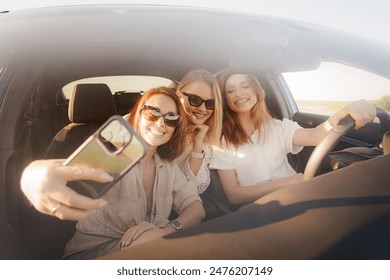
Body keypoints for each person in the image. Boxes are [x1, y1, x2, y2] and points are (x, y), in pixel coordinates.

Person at [48, 86, 204, 259]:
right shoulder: (111, 154)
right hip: (90, 255)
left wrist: (166, 230)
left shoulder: (169, 167)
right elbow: (62, 182)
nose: (161, 123)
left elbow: (196, 209)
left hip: (150, 248)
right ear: (137, 114)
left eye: (171, 118)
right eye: (153, 113)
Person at [209, 70, 377, 206]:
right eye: (230, 90)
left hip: (298, 196)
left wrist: (342, 113)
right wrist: (285, 183)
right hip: (258, 209)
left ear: (256, 91)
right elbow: (234, 195)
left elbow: (314, 136)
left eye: (245, 86)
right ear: (225, 100)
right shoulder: (221, 141)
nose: (239, 93)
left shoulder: (279, 127)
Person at [174, 69, 223, 195]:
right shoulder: (156, 125)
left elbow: (194, 187)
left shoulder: (208, 141)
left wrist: (197, 144)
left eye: (210, 103)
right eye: (195, 100)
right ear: (179, 95)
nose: (202, 109)